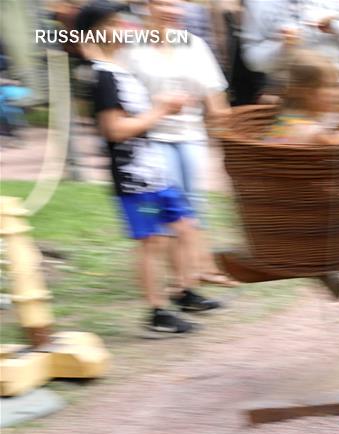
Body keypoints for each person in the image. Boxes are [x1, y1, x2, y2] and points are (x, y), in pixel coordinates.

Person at [77, 0, 220, 334]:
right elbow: (114, 130)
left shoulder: (118, 70)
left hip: (151, 169)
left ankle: (185, 292)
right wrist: (159, 111)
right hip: (133, 177)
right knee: (152, 241)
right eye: (114, 23)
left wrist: (163, 107)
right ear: (95, 33)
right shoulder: (101, 77)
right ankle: (157, 312)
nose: (124, 28)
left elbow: (136, 119)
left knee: (184, 226)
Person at [120, 0, 238, 287]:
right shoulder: (132, 47)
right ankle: (181, 277)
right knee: (170, 205)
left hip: (191, 134)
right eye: (163, 4)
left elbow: (213, 91)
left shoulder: (194, 44)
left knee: (196, 201)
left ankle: (204, 268)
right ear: (147, 6)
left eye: (177, 5)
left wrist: (227, 129)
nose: (172, 10)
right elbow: (123, 95)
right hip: (153, 136)